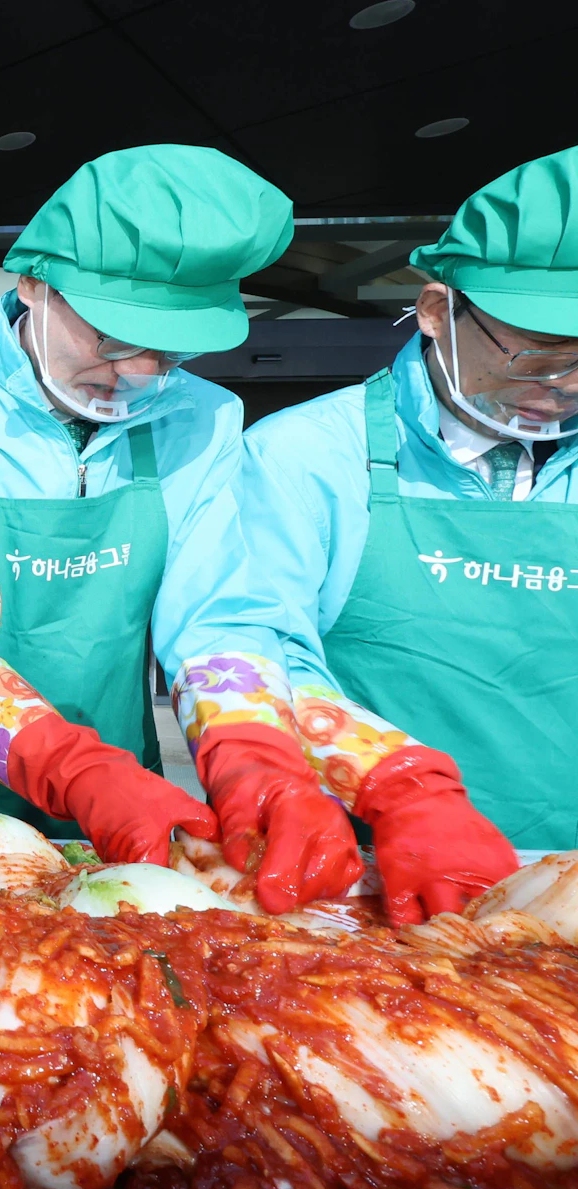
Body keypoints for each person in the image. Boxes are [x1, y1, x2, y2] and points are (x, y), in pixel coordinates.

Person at [0, 145, 343, 894]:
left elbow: (216, 616)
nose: (139, 372)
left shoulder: (203, 419)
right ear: (33, 285)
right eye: (113, 337)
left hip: (128, 811)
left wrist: (253, 755)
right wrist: (69, 766)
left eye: (170, 351)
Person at [237, 148, 578, 922]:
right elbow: (254, 654)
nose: (565, 385)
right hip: (374, 890)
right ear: (434, 311)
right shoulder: (304, 457)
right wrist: (398, 786)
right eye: (539, 352)